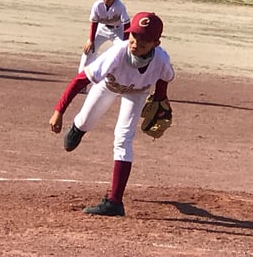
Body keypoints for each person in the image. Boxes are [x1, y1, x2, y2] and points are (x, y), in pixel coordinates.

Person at [49, 12, 174, 217]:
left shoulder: (161, 59)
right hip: (108, 86)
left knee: (123, 139)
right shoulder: (117, 52)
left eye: (143, 42)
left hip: (136, 94)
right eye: (133, 37)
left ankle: (115, 202)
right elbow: (81, 79)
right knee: (86, 120)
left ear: (156, 43)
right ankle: (78, 127)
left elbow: (164, 78)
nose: (136, 44)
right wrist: (59, 111)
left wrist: (161, 98)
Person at [78, 0, 131, 92]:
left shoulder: (120, 6)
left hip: (118, 31)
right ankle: (81, 83)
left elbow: (127, 24)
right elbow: (94, 22)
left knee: (123, 54)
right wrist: (90, 40)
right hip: (102, 29)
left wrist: (126, 44)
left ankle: (123, 83)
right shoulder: (97, 5)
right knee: (87, 52)